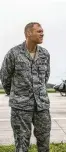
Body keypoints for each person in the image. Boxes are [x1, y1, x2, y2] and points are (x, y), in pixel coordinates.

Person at [0, 22, 51, 152]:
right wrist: (17, 95)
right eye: (39, 31)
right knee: (22, 142)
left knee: (44, 141)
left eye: (42, 31)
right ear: (29, 33)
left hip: (42, 106)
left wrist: (40, 93)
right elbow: (5, 77)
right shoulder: (14, 54)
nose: (42, 33)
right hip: (20, 107)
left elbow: (46, 77)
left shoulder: (45, 54)